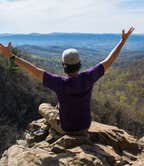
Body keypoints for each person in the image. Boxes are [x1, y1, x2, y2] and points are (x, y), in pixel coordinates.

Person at [0, 27, 135, 135]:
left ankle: (54, 128)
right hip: (85, 126)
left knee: (43, 106)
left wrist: (11, 56)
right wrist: (122, 41)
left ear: (63, 66)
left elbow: (34, 69)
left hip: (67, 129)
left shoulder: (59, 82)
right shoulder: (88, 77)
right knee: (60, 104)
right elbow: (108, 61)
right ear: (80, 64)